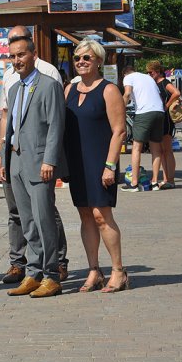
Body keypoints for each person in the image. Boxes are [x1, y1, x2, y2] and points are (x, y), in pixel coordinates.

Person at [0, 26, 69, 286]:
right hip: (16, 162)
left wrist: (50, 159)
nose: (17, 61)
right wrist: (3, 156)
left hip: (39, 163)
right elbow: (10, 125)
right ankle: (33, 272)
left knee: (44, 218)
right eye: (12, 56)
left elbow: (56, 126)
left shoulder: (48, 84)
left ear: (33, 55)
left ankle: (51, 274)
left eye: (21, 55)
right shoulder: (14, 88)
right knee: (27, 222)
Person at [64, 40, 130, 293]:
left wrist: (110, 165)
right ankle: (94, 270)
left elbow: (119, 131)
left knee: (102, 216)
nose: (81, 61)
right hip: (77, 163)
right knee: (85, 215)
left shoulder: (109, 90)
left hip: (100, 162)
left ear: (98, 61)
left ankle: (118, 271)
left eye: (87, 58)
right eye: (77, 58)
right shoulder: (69, 89)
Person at [121, 64, 165, 192]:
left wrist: (120, 110)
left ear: (125, 74)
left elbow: (127, 93)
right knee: (156, 148)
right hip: (159, 111)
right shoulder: (148, 78)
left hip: (144, 113)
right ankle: (155, 182)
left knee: (136, 147)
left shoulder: (128, 77)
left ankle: (134, 183)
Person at [147, 60, 181, 190]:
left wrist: (166, 106)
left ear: (158, 71)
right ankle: (166, 178)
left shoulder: (164, 83)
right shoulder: (154, 84)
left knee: (167, 150)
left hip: (166, 119)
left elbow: (176, 93)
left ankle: (170, 179)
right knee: (161, 151)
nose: (149, 75)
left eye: (151, 72)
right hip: (160, 119)